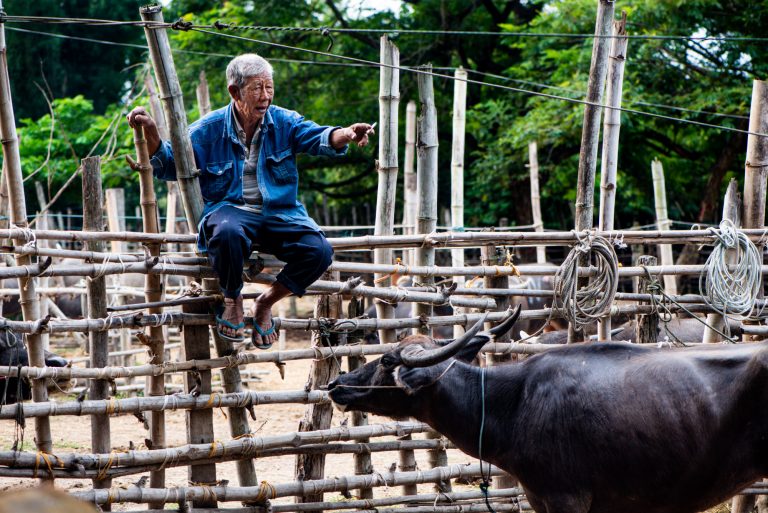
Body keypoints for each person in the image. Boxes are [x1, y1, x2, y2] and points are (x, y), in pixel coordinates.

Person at [127, 53, 373, 348]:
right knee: (226, 231)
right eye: (257, 88)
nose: (265, 96)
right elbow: (169, 165)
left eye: (269, 88)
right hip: (231, 212)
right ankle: (232, 298)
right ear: (235, 91)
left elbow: (319, 137)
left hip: (280, 214)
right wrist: (152, 133)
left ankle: (265, 303)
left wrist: (346, 133)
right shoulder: (209, 129)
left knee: (319, 251)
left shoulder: (285, 122)